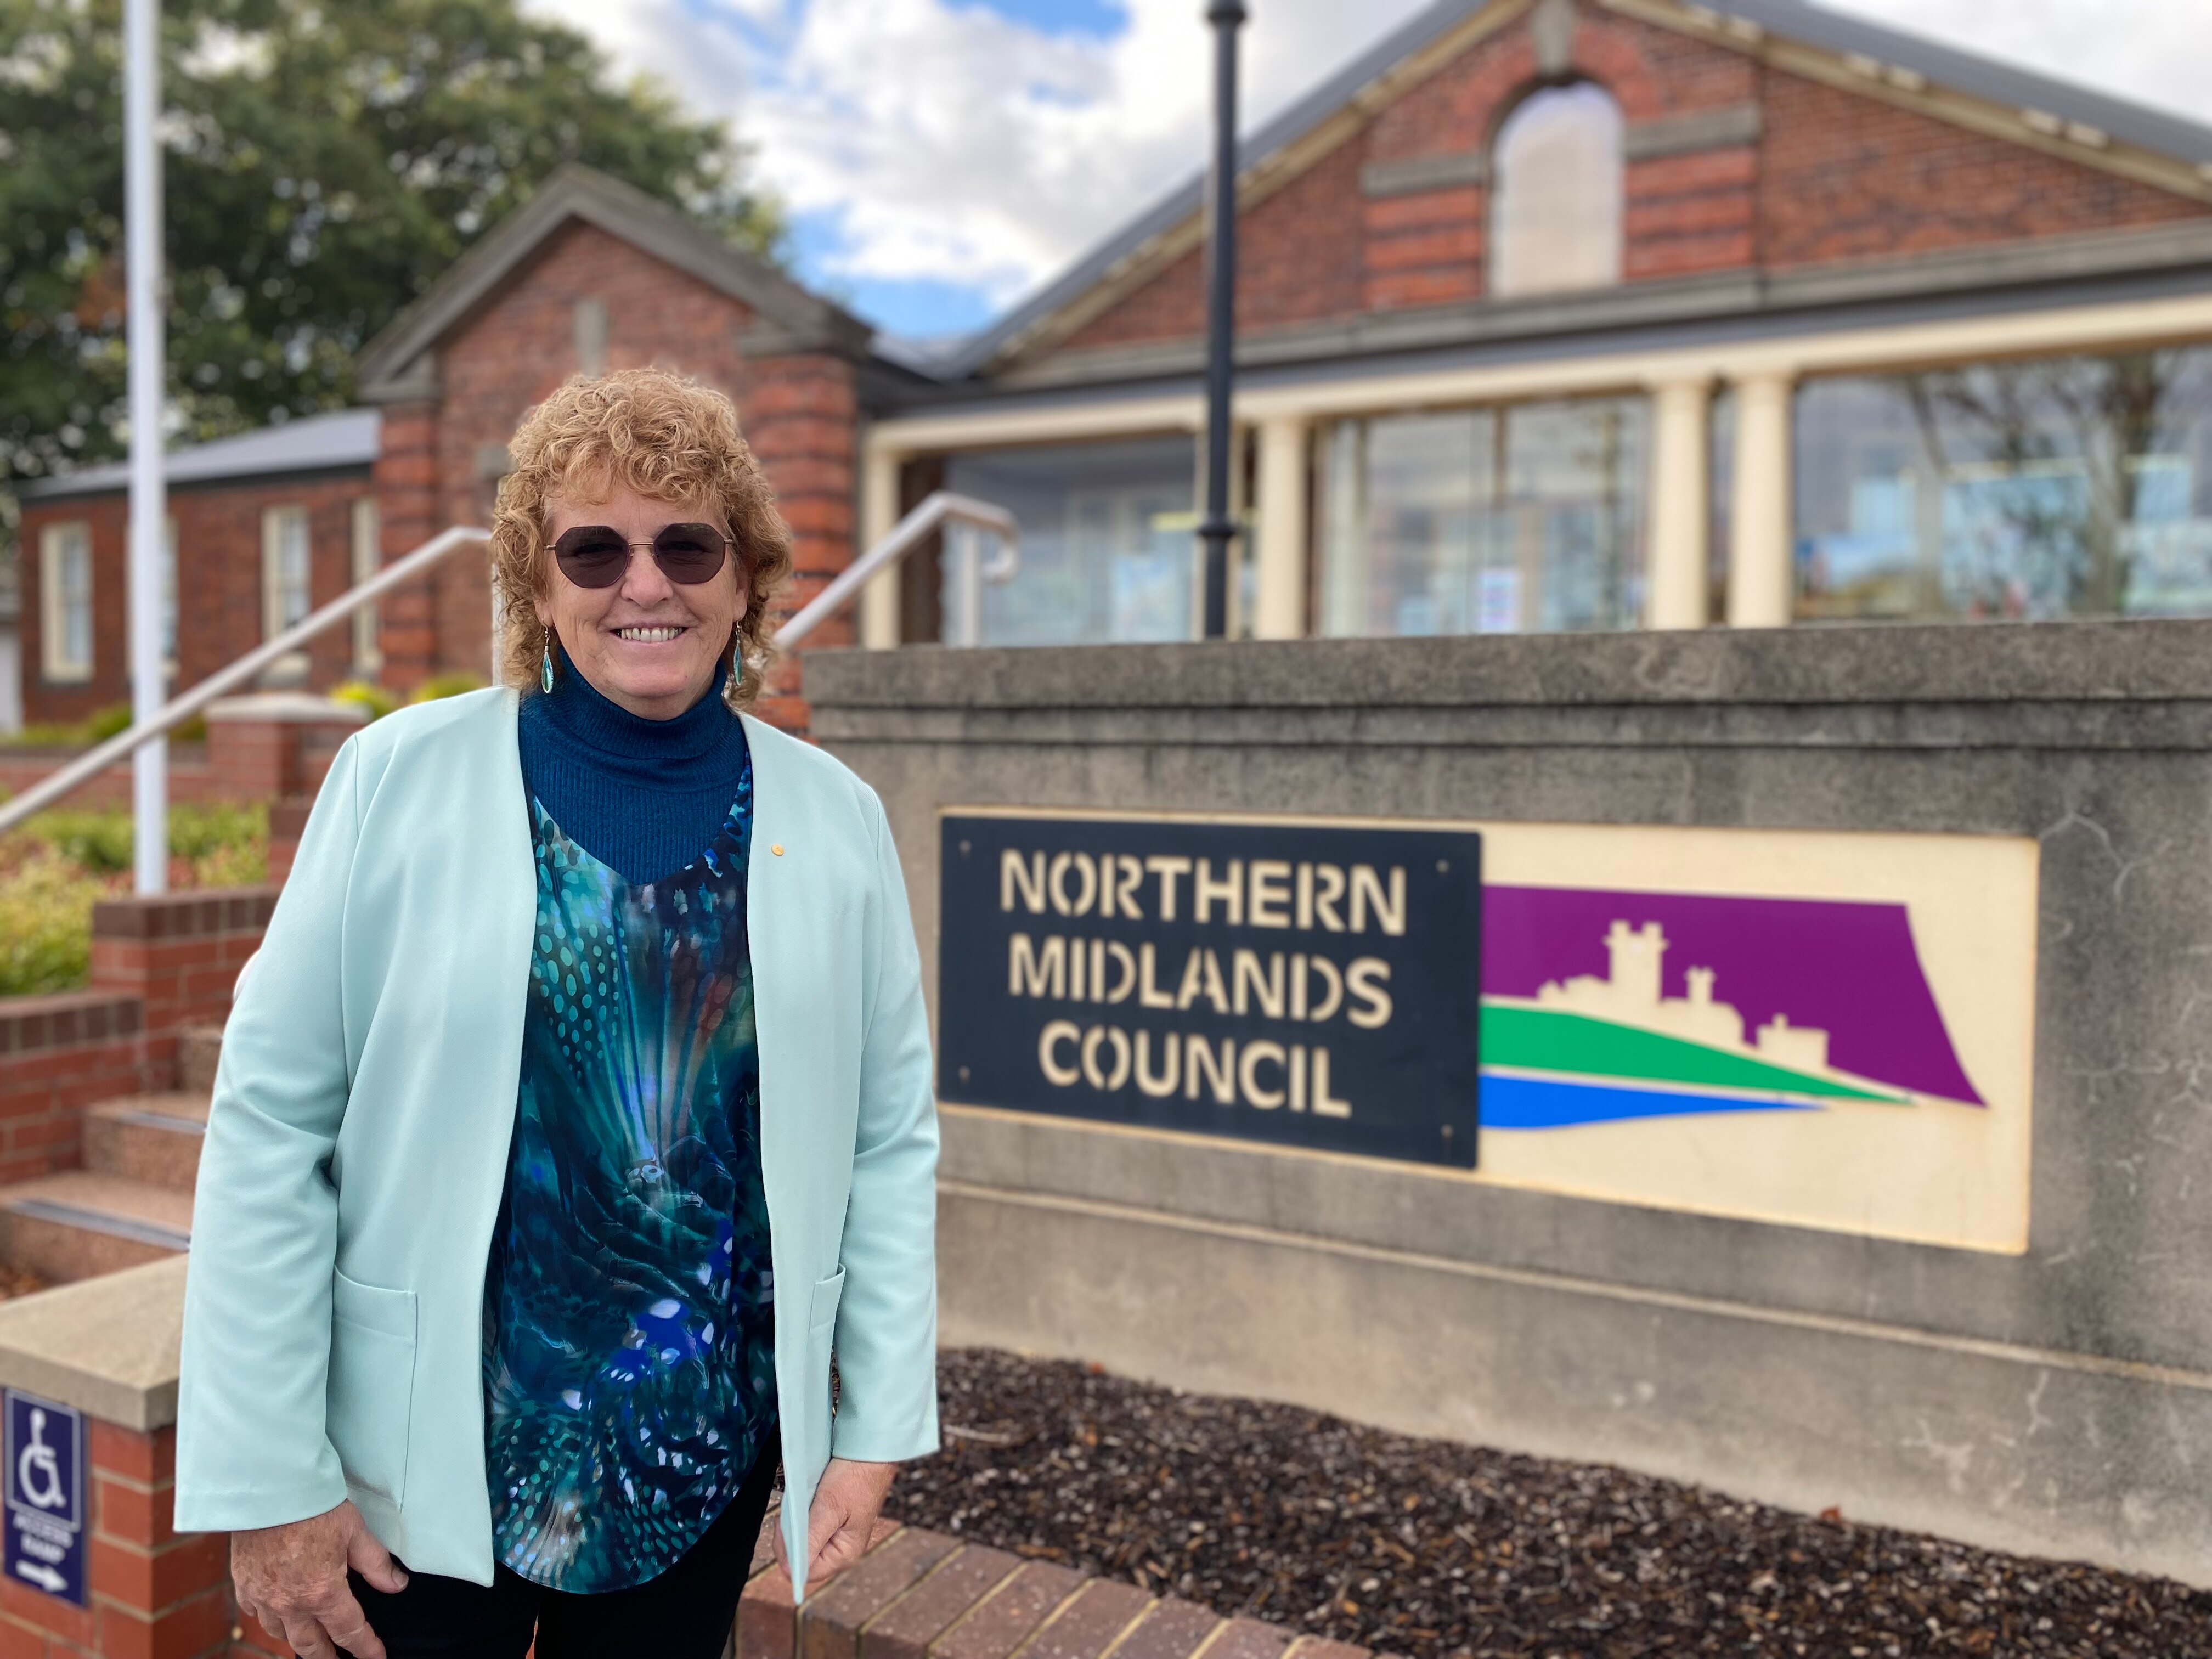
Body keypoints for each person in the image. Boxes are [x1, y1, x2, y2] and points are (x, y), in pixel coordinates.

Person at [174, 368, 940, 1659]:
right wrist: (268, 1476)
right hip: (417, 1466)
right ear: (537, 587)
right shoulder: (394, 783)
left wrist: (870, 1425)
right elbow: (268, 1126)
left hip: (695, 1457)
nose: (646, 585)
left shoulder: (837, 818)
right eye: (594, 549)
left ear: (744, 578)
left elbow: (887, 1141)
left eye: (688, 545)